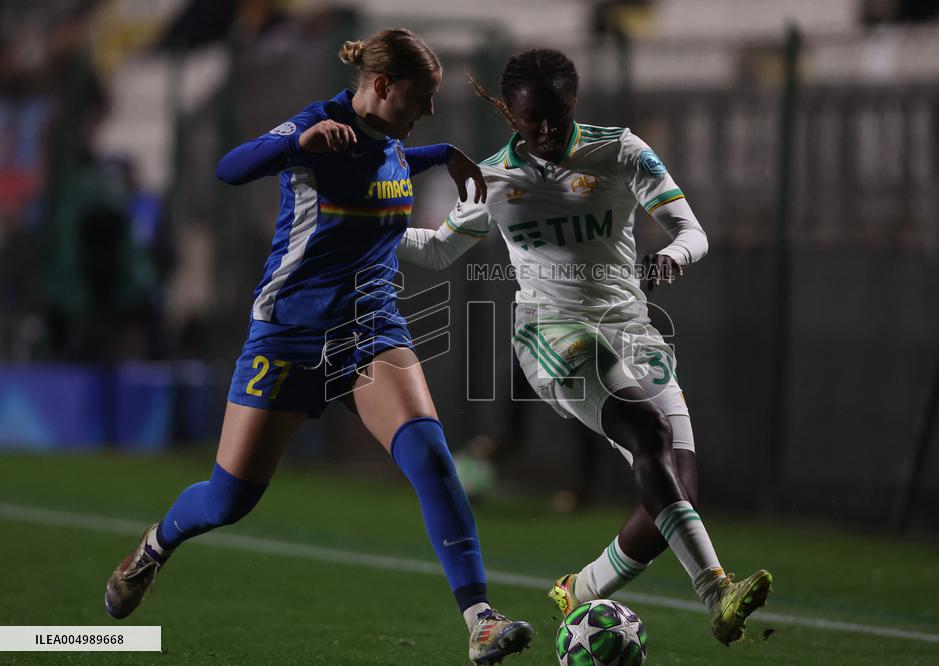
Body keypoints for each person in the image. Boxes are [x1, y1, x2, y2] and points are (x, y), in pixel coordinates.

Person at [103, 28, 533, 665]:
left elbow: (379, 163)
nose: (429, 111)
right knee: (229, 500)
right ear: (383, 86)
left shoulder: (389, 140)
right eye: (422, 98)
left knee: (432, 458)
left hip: (370, 333)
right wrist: (295, 144)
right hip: (288, 337)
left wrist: (442, 152)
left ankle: (480, 620)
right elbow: (231, 168)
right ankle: (155, 547)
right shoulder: (320, 127)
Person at [396, 48, 772, 646]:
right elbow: (440, 248)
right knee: (649, 436)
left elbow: (692, 233)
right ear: (509, 114)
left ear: (574, 103)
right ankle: (717, 591)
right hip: (550, 333)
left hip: (631, 328)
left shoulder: (620, 150)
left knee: (676, 497)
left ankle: (582, 591)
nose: (546, 130)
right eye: (531, 119)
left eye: (557, 115)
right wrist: (366, 230)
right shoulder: (491, 179)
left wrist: (670, 261)